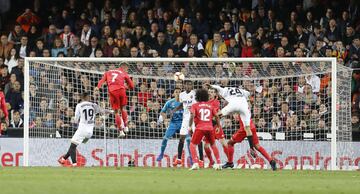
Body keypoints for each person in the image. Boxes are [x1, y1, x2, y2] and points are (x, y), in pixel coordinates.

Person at [58, 92, 112, 166]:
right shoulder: (93, 105)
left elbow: (76, 119)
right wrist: (111, 111)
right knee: (74, 145)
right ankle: (63, 159)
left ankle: (74, 164)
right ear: (87, 97)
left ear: (82, 98)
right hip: (90, 133)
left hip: (82, 129)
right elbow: (102, 111)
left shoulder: (79, 105)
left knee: (72, 146)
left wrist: (74, 121)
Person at [206, 83, 256, 157]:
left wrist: (210, 85)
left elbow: (217, 87)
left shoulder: (224, 90)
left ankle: (207, 128)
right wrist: (250, 99)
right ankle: (251, 148)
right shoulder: (242, 91)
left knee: (217, 116)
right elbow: (249, 93)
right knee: (247, 128)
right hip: (244, 106)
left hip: (233, 105)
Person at [96, 62, 134, 137]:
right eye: (127, 69)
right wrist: (127, 87)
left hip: (112, 91)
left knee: (116, 112)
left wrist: (98, 87)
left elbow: (102, 81)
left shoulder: (108, 72)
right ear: (124, 67)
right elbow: (132, 86)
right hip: (121, 90)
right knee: (123, 108)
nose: (127, 70)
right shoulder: (124, 73)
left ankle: (121, 131)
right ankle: (125, 126)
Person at [188, 88, 222, 170]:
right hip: (210, 128)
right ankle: (218, 163)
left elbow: (192, 115)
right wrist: (218, 126)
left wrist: (189, 126)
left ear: (197, 97)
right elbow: (217, 116)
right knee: (213, 145)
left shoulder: (195, 105)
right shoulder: (210, 106)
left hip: (200, 128)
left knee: (192, 145)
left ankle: (195, 163)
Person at [171, 80, 197, 167]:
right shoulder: (182, 94)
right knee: (181, 138)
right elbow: (183, 104)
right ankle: (178, 159)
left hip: (195, 118)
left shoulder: (195, 94)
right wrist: (175, 110)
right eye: (187, 85)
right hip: (186, 119)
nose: (188, 86)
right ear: (184, 86)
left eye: (190, 84)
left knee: (198, 138)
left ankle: (200, 160)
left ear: (192, 86)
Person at [156, 88, 183, 162]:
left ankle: (191, 157)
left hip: (183, 123)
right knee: (165, 138)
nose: (178, 93)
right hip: (173, 123)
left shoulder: (184, 102)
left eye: (179, 92)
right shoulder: (169, 102)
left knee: (188, 140)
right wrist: (164, 119)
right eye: (176, 92)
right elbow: (162, 112)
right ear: (173, 94)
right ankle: (161, 154)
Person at [203, 88, 228, 168]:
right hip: (207, 126)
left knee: (223, 143)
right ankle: (211, 162)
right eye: (209, 91)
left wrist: (217, 125)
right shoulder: (204, 102)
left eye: (212, 92)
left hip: (215, 125)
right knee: (206, 146)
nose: (210, 93)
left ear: (215, 94)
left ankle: (229, 161)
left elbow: (216, 115)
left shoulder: (216, 102)